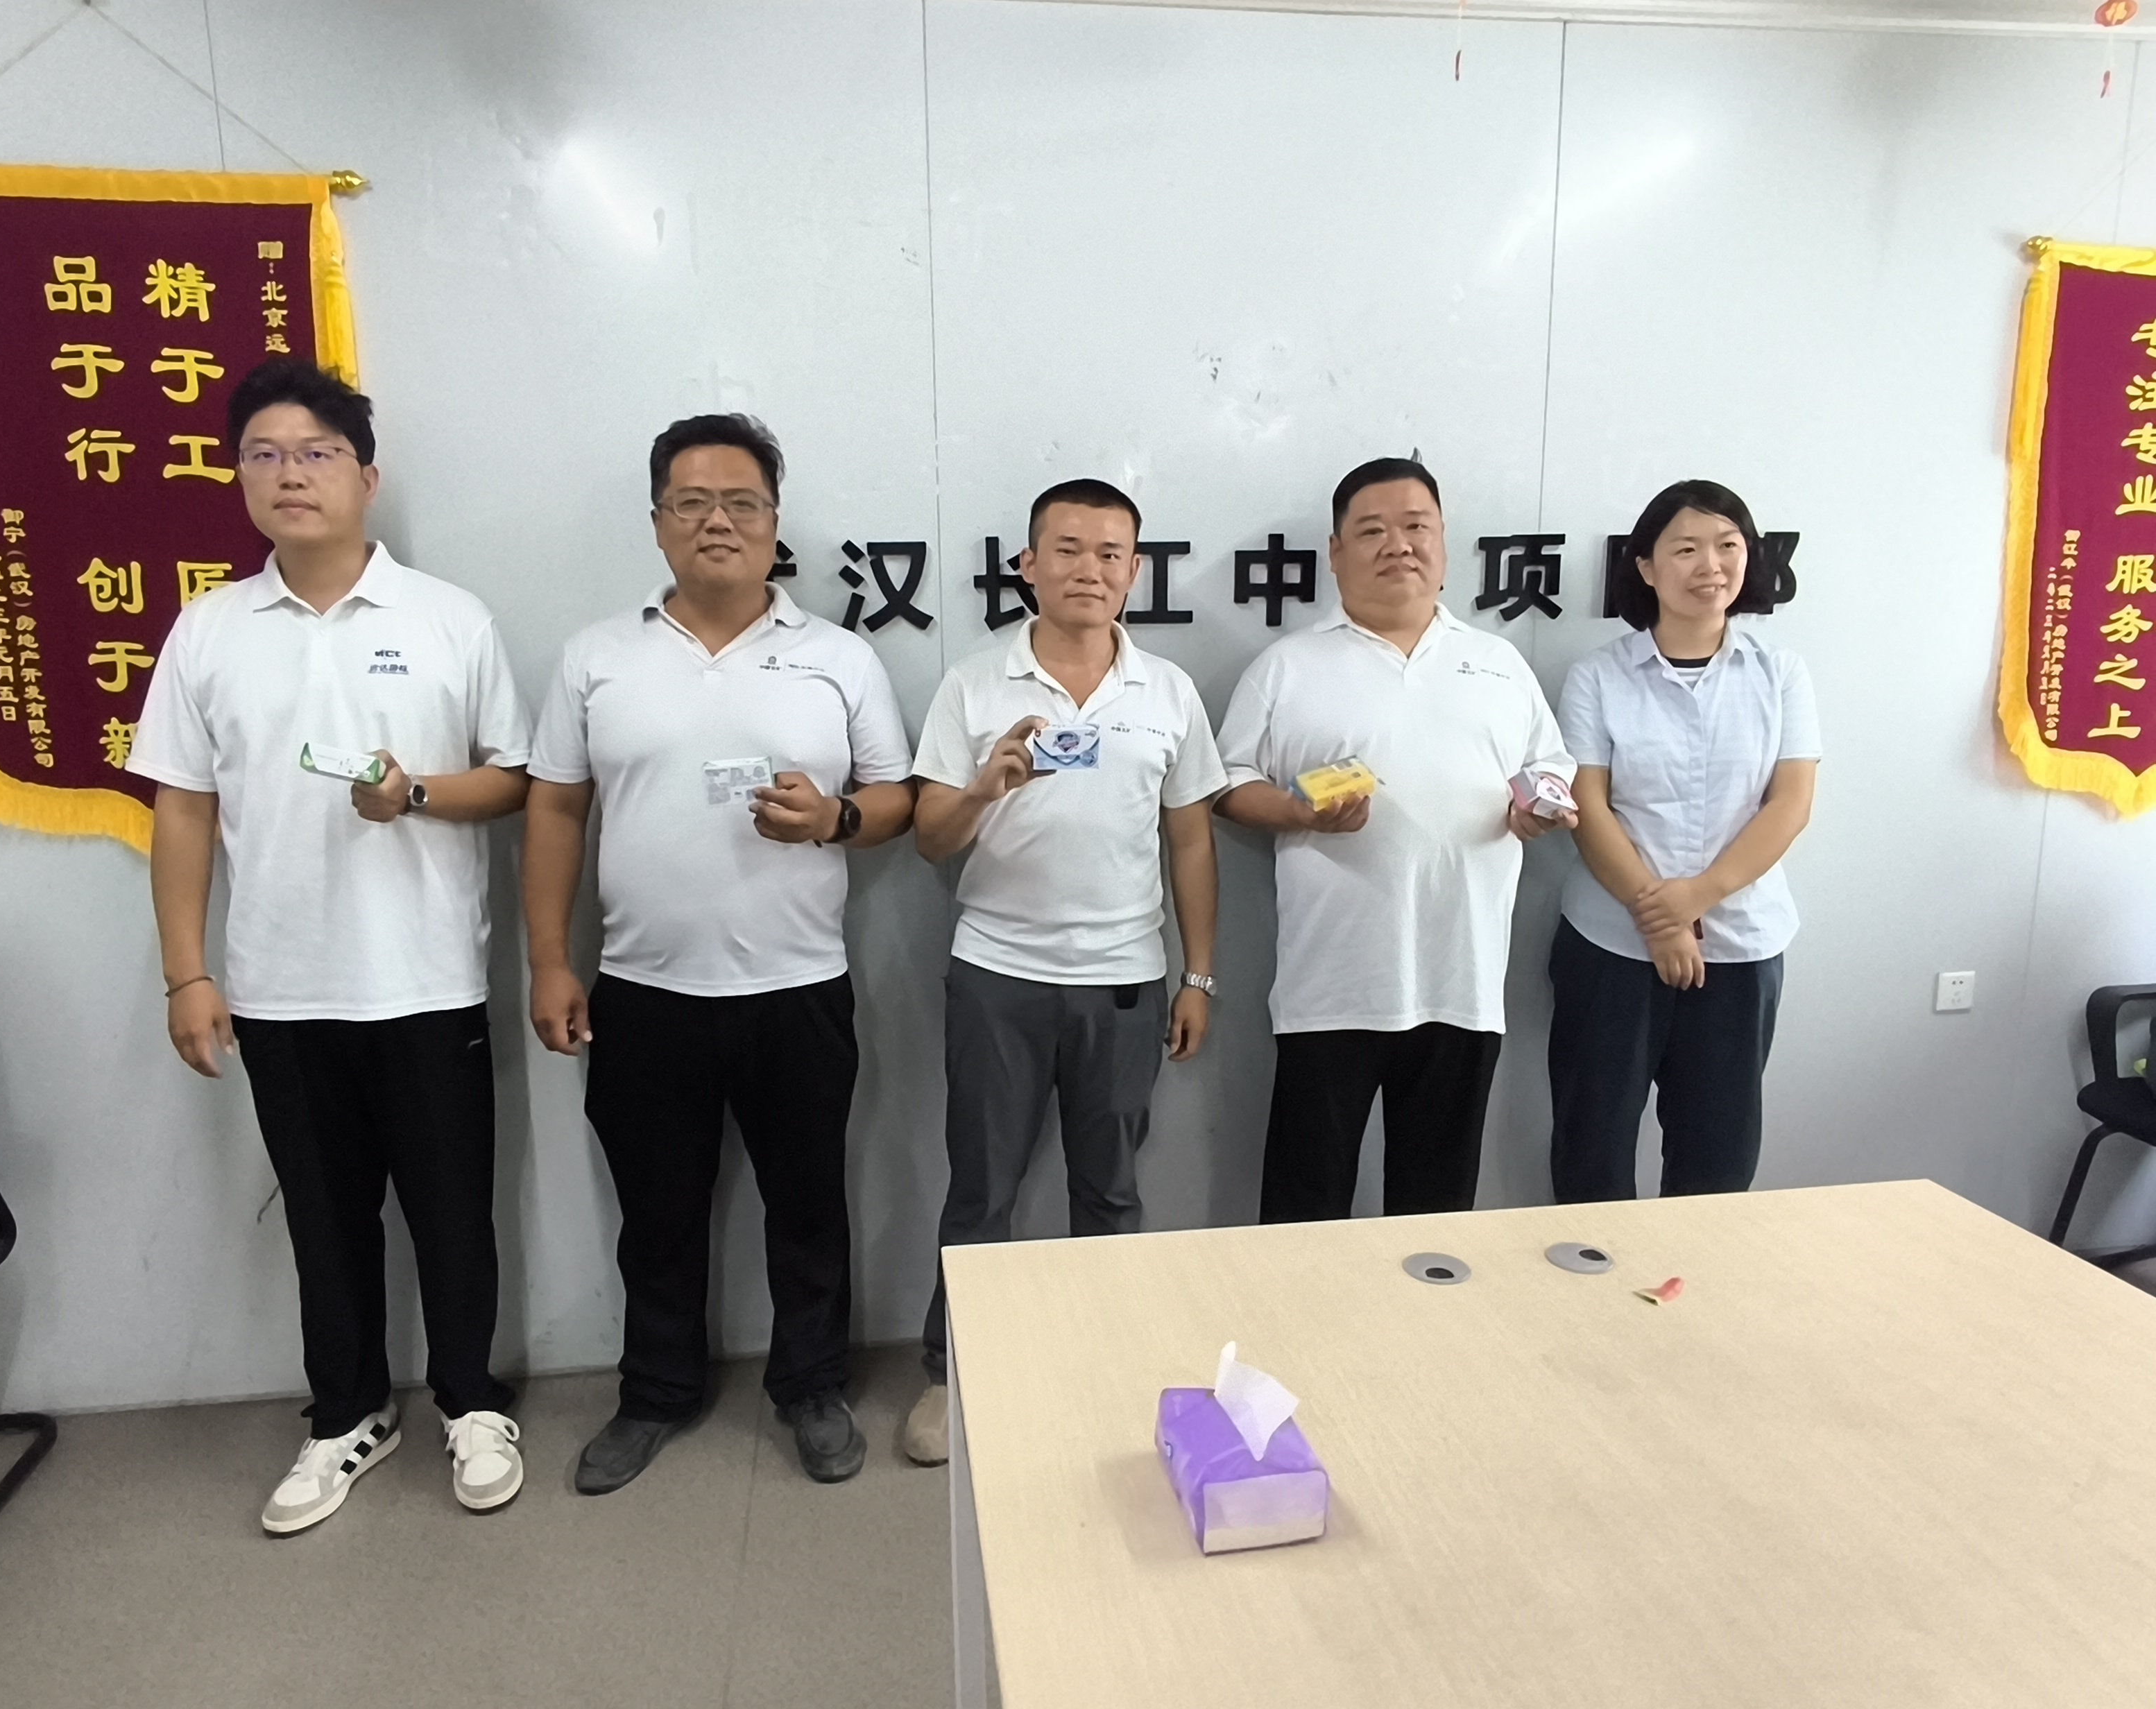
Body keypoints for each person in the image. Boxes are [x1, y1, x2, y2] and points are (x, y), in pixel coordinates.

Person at [128, 359, 532, 1534]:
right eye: (264, 454)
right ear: (239, 478)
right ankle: (347, 1412)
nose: (290, 474)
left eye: (316, 453)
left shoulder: (449, 617)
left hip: (425, 979)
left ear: (366, 476)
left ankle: (471, 1400)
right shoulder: (209, 630)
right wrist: (188, 971)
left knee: (453, 1212)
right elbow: (183, 809)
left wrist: (416, 795)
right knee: (324, 1219)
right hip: (279, 988)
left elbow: (513, 778)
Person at [524, 414, 915, 1491]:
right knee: (656, 1214)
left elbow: (896, 797)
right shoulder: (597, 658)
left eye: (742, 503)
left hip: (799, 988)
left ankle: (813, 1386)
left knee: (808, 1205)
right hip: (644, 991)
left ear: (775, 524)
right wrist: (550, 959)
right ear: (658, 523)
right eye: (691, 502)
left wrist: (834, 818)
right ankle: (656, 1391)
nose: (718, 522)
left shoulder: (837, 657)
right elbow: (555, 809)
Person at [900, 479, 1226, 1467]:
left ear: (1134, 571)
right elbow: (928, 840)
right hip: (996, 974)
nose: (1090, 569)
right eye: (1069, 549)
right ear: (1028, 565)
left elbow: (1191, 842)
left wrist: (1198, 977)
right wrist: (982, 789)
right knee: (981, 1190)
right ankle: (953, 1375)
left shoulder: (1167, 692)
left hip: (1124, 981)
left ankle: (1109, 1363)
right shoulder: (974, 685)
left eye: (1110, 553)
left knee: (1112, 1189)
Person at [1216, 457, 1575, 1224]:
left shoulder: (1499, 664)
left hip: (1461, 980)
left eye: (1417, 527)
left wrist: (1538, 810)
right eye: (1372, 531)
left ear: (1443, 543)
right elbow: (1227, 784)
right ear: (1336, 552)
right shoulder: (1287, 666)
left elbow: (1549, 769)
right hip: (1330, 987)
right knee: (1304, 1210)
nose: (1398, 545)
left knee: (1436, 1214)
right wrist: (1299, 812)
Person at [1547, 479, 1818, 1203]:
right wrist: (1659, 919)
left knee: (1717, 1160)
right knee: (1592, 1147)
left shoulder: (1780, 674)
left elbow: (1790, 804)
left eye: (1728, 545)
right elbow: (1587, 804)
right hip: (1612, 944)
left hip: (1739, 945)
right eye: (1686, 548)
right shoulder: (1598, 676)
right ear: (1645, 566)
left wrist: (1697, 898)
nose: (1711, 565)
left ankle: (1693, 1279)